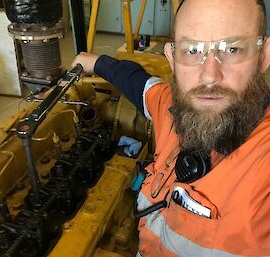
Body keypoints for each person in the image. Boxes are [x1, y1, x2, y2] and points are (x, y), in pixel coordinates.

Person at [71, 0, 270, 256]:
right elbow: (141, 85)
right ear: (172, 59)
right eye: (192, 50)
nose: (209, 75)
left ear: (264, 56)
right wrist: (96, 62)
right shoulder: (173, 108)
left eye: (232, 49)